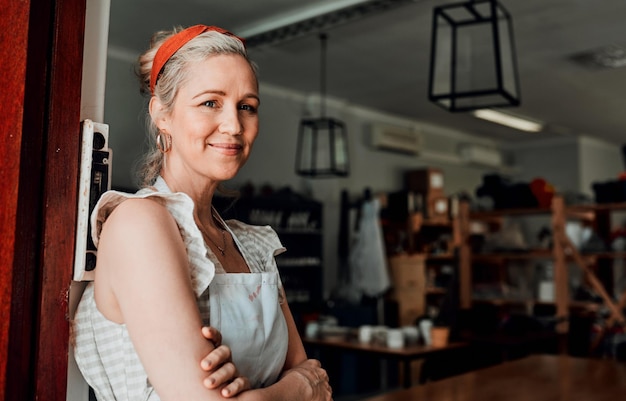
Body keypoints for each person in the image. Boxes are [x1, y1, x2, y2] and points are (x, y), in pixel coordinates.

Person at [72, 24, 332, 401]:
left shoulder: (253, 246)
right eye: (210, 102)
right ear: (162, 114)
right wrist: (297, 388)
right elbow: (311, 381)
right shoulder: (138, 224)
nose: (233, 125)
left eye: (247, 107)